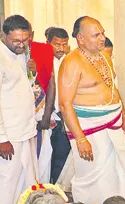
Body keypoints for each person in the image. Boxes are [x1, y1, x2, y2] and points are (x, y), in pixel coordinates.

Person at [58, 16, 125, 204]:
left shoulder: (105, 56)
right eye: (96, 35)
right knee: (92, 178)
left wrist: (123, 117)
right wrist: (81, 138)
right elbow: (64, 104)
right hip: (89, 129)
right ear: (81, 38)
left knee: (120, 171)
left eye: (103, 33)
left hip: (114, 123)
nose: (102, 38)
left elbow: (112, 89)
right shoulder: (71, 62)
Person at [0, 15, 39, 204]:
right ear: (4, 36)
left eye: (25, 40)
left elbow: (20, 87)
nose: (21, 44)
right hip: (8, 135)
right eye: (16, 41)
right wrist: (2, 138)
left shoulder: (19, 53)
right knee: (6, 185)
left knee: (27, 181)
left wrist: (31, 72)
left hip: (26, 130)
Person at [26, 29, 56, 183]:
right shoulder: (3, 57)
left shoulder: (42, 51)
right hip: (19, 125)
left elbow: (50, 82)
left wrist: (46, 116)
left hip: (40, 120)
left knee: (42, 160)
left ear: (31, 34)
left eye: (27, 35)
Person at [46, 27, 73, 185]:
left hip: (65, 117)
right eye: (56, 44)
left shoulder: (69, 60)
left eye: (64, 44)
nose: (60, 48)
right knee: (49, 158)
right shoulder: (43, 62)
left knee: (63, 158)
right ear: (48, 43)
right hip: (48, 117)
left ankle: (60, 189)